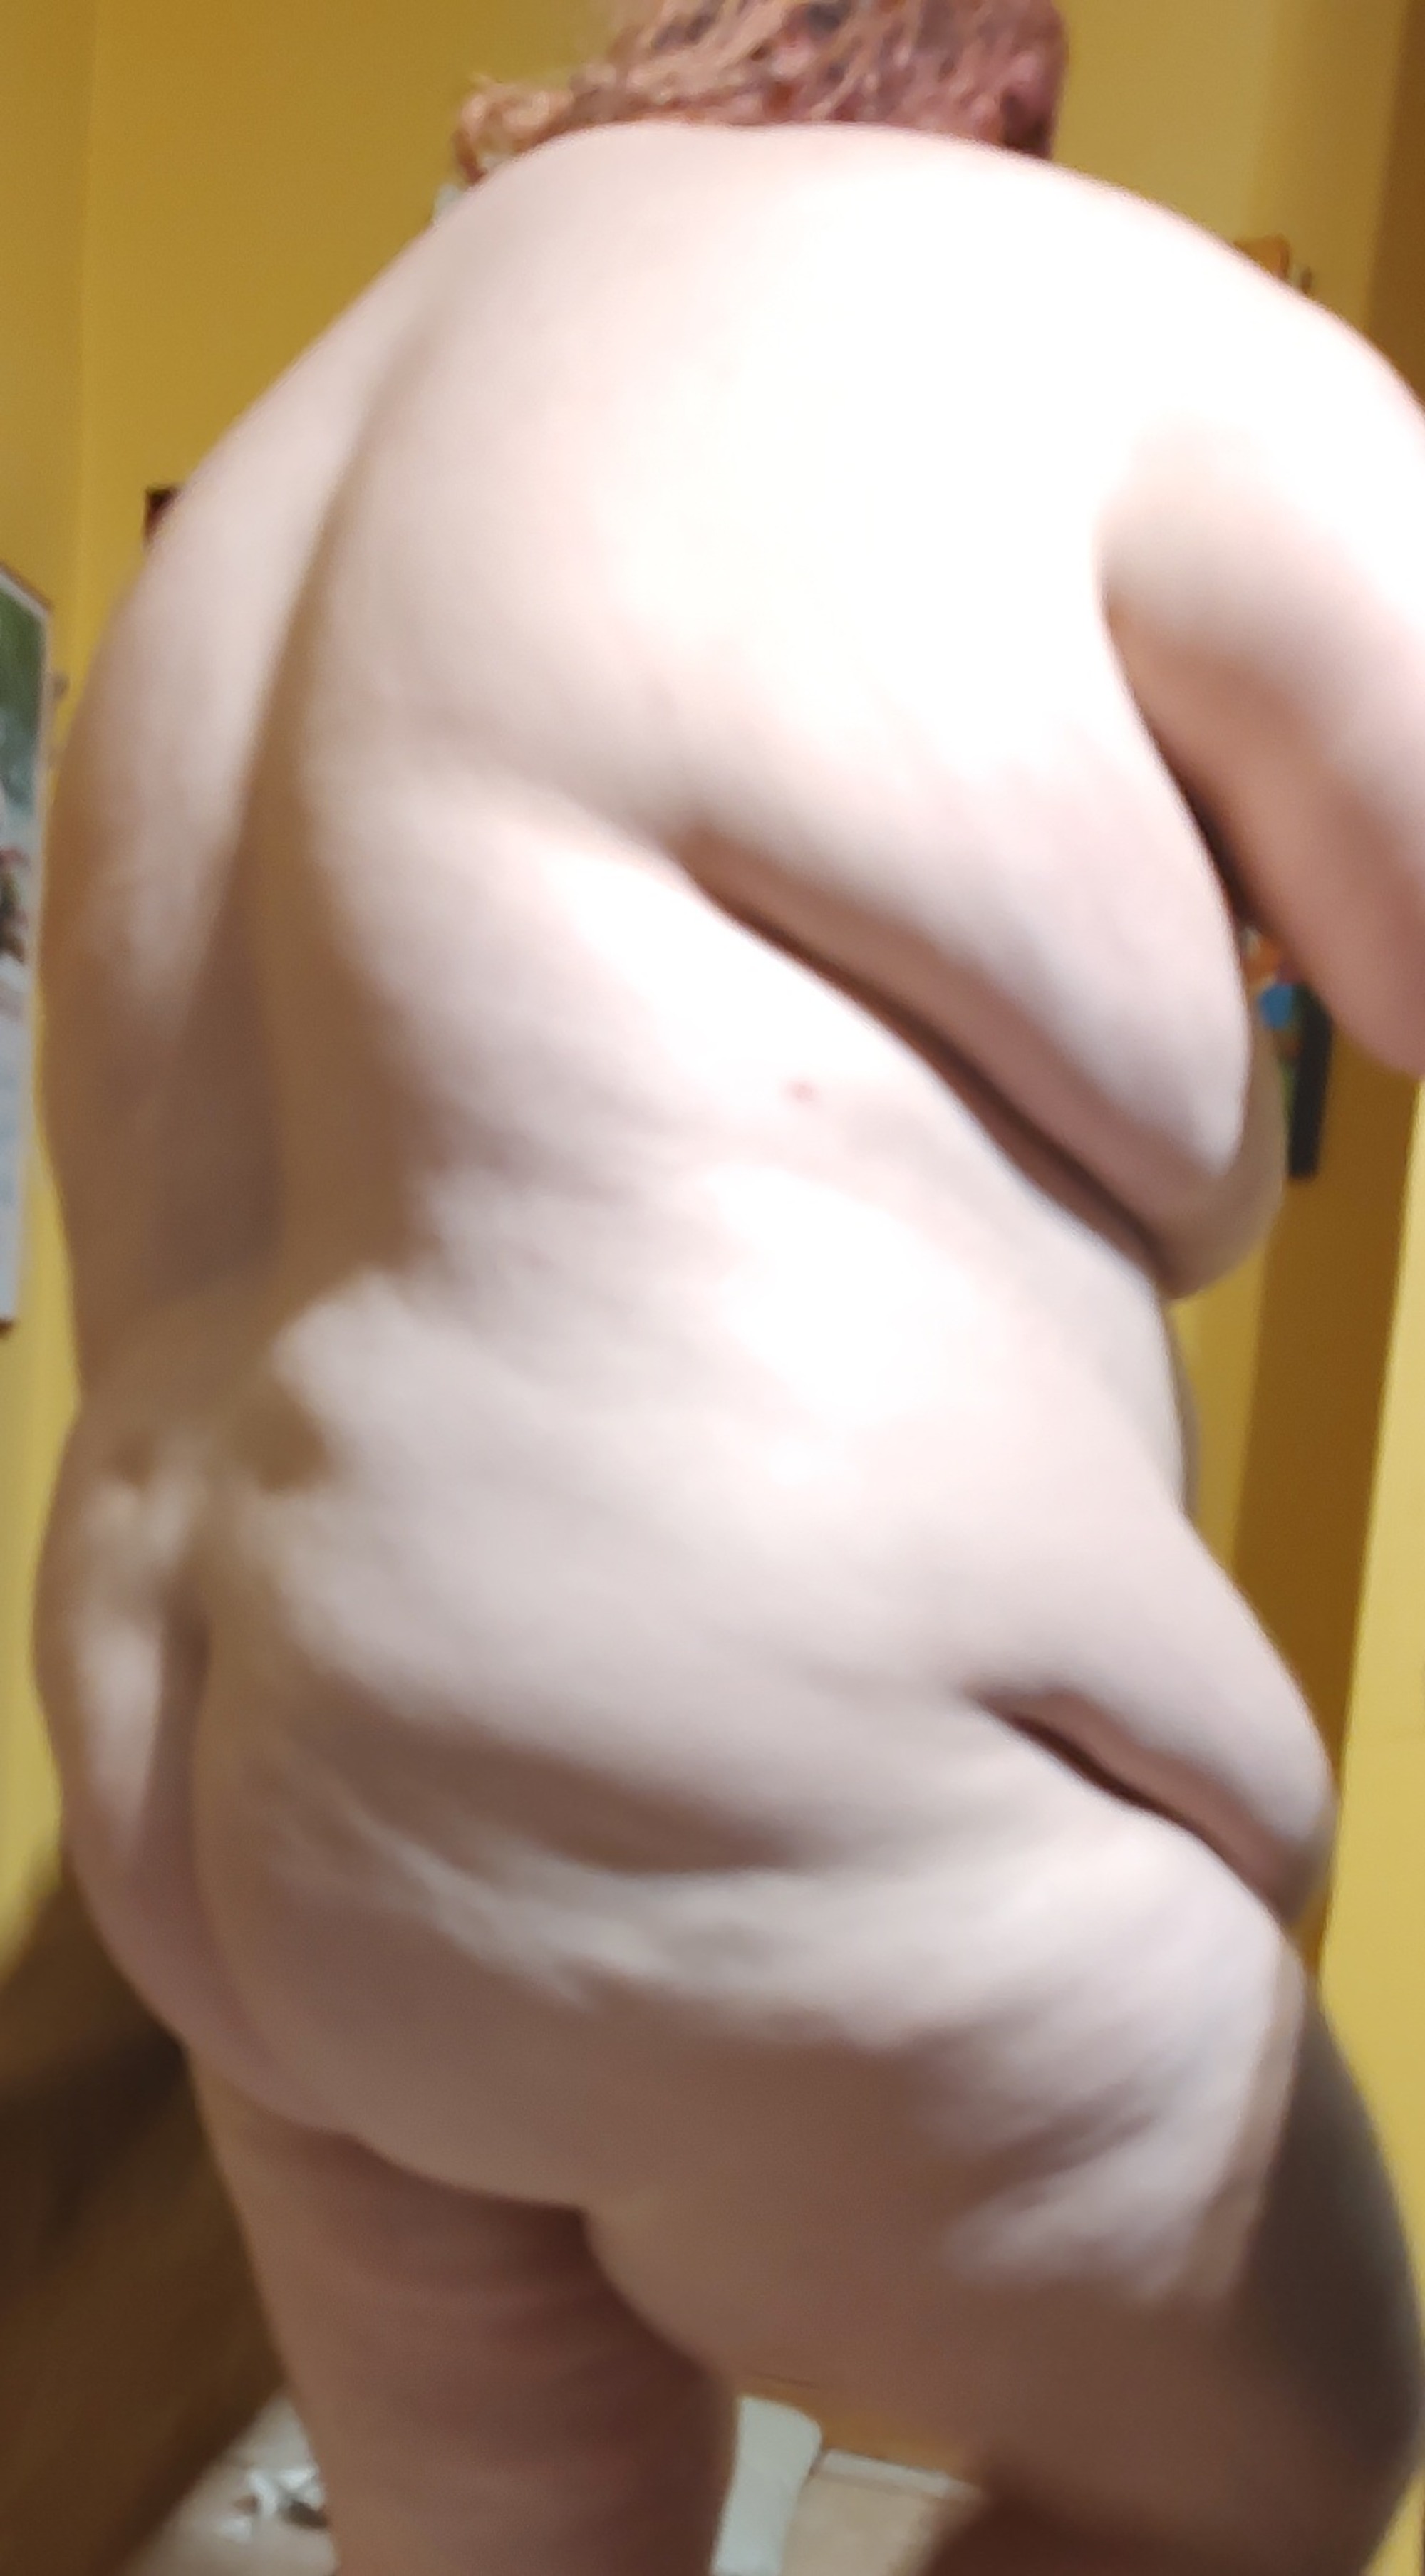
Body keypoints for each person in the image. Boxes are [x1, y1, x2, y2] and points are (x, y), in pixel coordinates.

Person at [33, 2, 1425, 2572]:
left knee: (506, 2542)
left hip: (218, 1827)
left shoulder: (279, 467)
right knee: (1263, 2457)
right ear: (1002, 94)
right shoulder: (1091, 313)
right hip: (730, 1745)